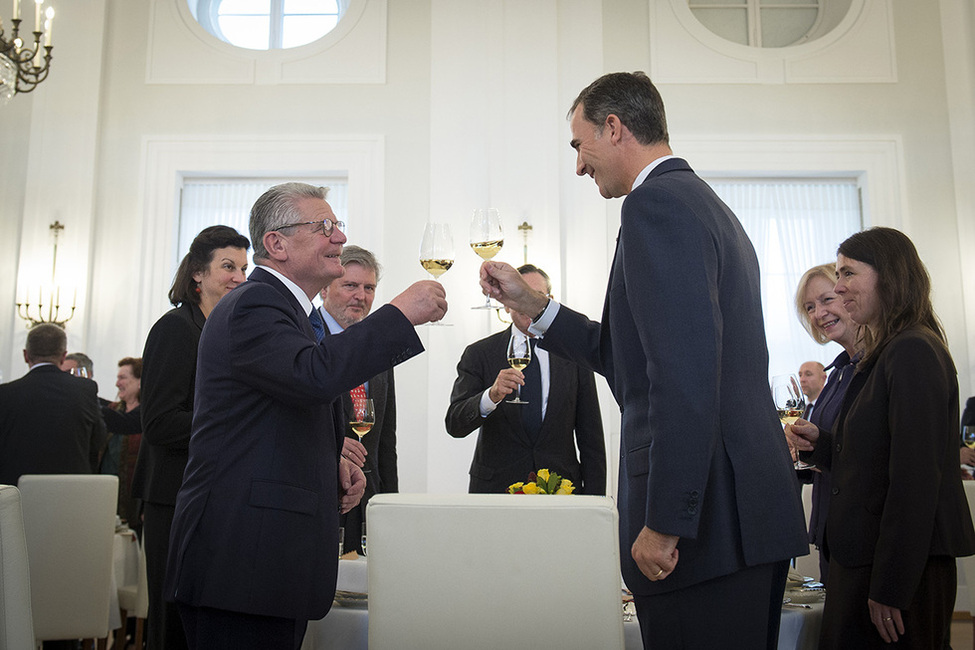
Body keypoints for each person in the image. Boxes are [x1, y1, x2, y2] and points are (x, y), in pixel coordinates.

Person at [479, 71, 807, 649]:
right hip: (739, 517)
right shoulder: (701, 203)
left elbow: (683, 380)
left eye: (580, 146)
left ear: (614, 127)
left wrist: (665, 522)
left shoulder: (655, 206)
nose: (579, 165)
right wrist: (536, 307)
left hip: (706, 527)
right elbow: (631, 356)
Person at [166, 182, 446, 649]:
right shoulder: (256, 302)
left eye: (337, 226)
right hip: (241, 563)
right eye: (325, 227)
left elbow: (276, 410)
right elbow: (311, 375)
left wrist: (328, 458)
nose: (338, 237)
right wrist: (398, 313)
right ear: (276, 243)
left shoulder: (286, 311)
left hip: (263, 565)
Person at [791, 227, 975, 648]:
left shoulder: (912, 350)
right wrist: (822, 442)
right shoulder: (885, 354)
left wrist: (891, 586)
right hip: (865, 560)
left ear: (888, 276)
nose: (838, 287)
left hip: (894, 571)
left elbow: (915, 481)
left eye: (848, 274)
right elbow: (873, 456)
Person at [134, 225, 250, 650]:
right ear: (198, 273)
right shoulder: (175, 329)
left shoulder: (224, 331)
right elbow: (161, 422)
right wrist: (237, 425)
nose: (239, 276)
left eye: (243, 266)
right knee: (173, 620)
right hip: (173, 495)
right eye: (228, 266)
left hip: (210, 494)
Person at [446, 264, 606, 494]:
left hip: (561, 493)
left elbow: (591, 438)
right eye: (519, 295)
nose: (525, 303)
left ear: (549, 300)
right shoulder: (479, 354)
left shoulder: (574, 355)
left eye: (536, 296)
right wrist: (490, 397)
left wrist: (594, 502)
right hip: (495, 494)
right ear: (506, 301)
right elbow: (455, 424)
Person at [318, 245, 397, 555]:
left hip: (369, 506)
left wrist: (390, 507)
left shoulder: (379, 349)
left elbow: (386, 442)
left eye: (369, 288)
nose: (360, 296)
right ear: (324, 288)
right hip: (321, 497)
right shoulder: (306, 341)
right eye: (350, 285)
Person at [793, 263, 862, 585]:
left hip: (860, 530)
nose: (819, 313)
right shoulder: (837, 373)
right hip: (830, 527)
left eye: (826, 299)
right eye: (809, 307)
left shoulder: (874, 369)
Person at [0, 323, 107, 485]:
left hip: (16, 493)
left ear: (26, 355)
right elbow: (98, 438)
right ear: (63, 356)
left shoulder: (5, 394)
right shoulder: (85, 390)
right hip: (70, 490)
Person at [99, 357, 143, 533]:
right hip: (105, 494)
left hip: (133, 500)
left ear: (140, 381)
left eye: (123, 378)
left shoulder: (146, 416)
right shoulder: (113, 409)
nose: (117, 384)